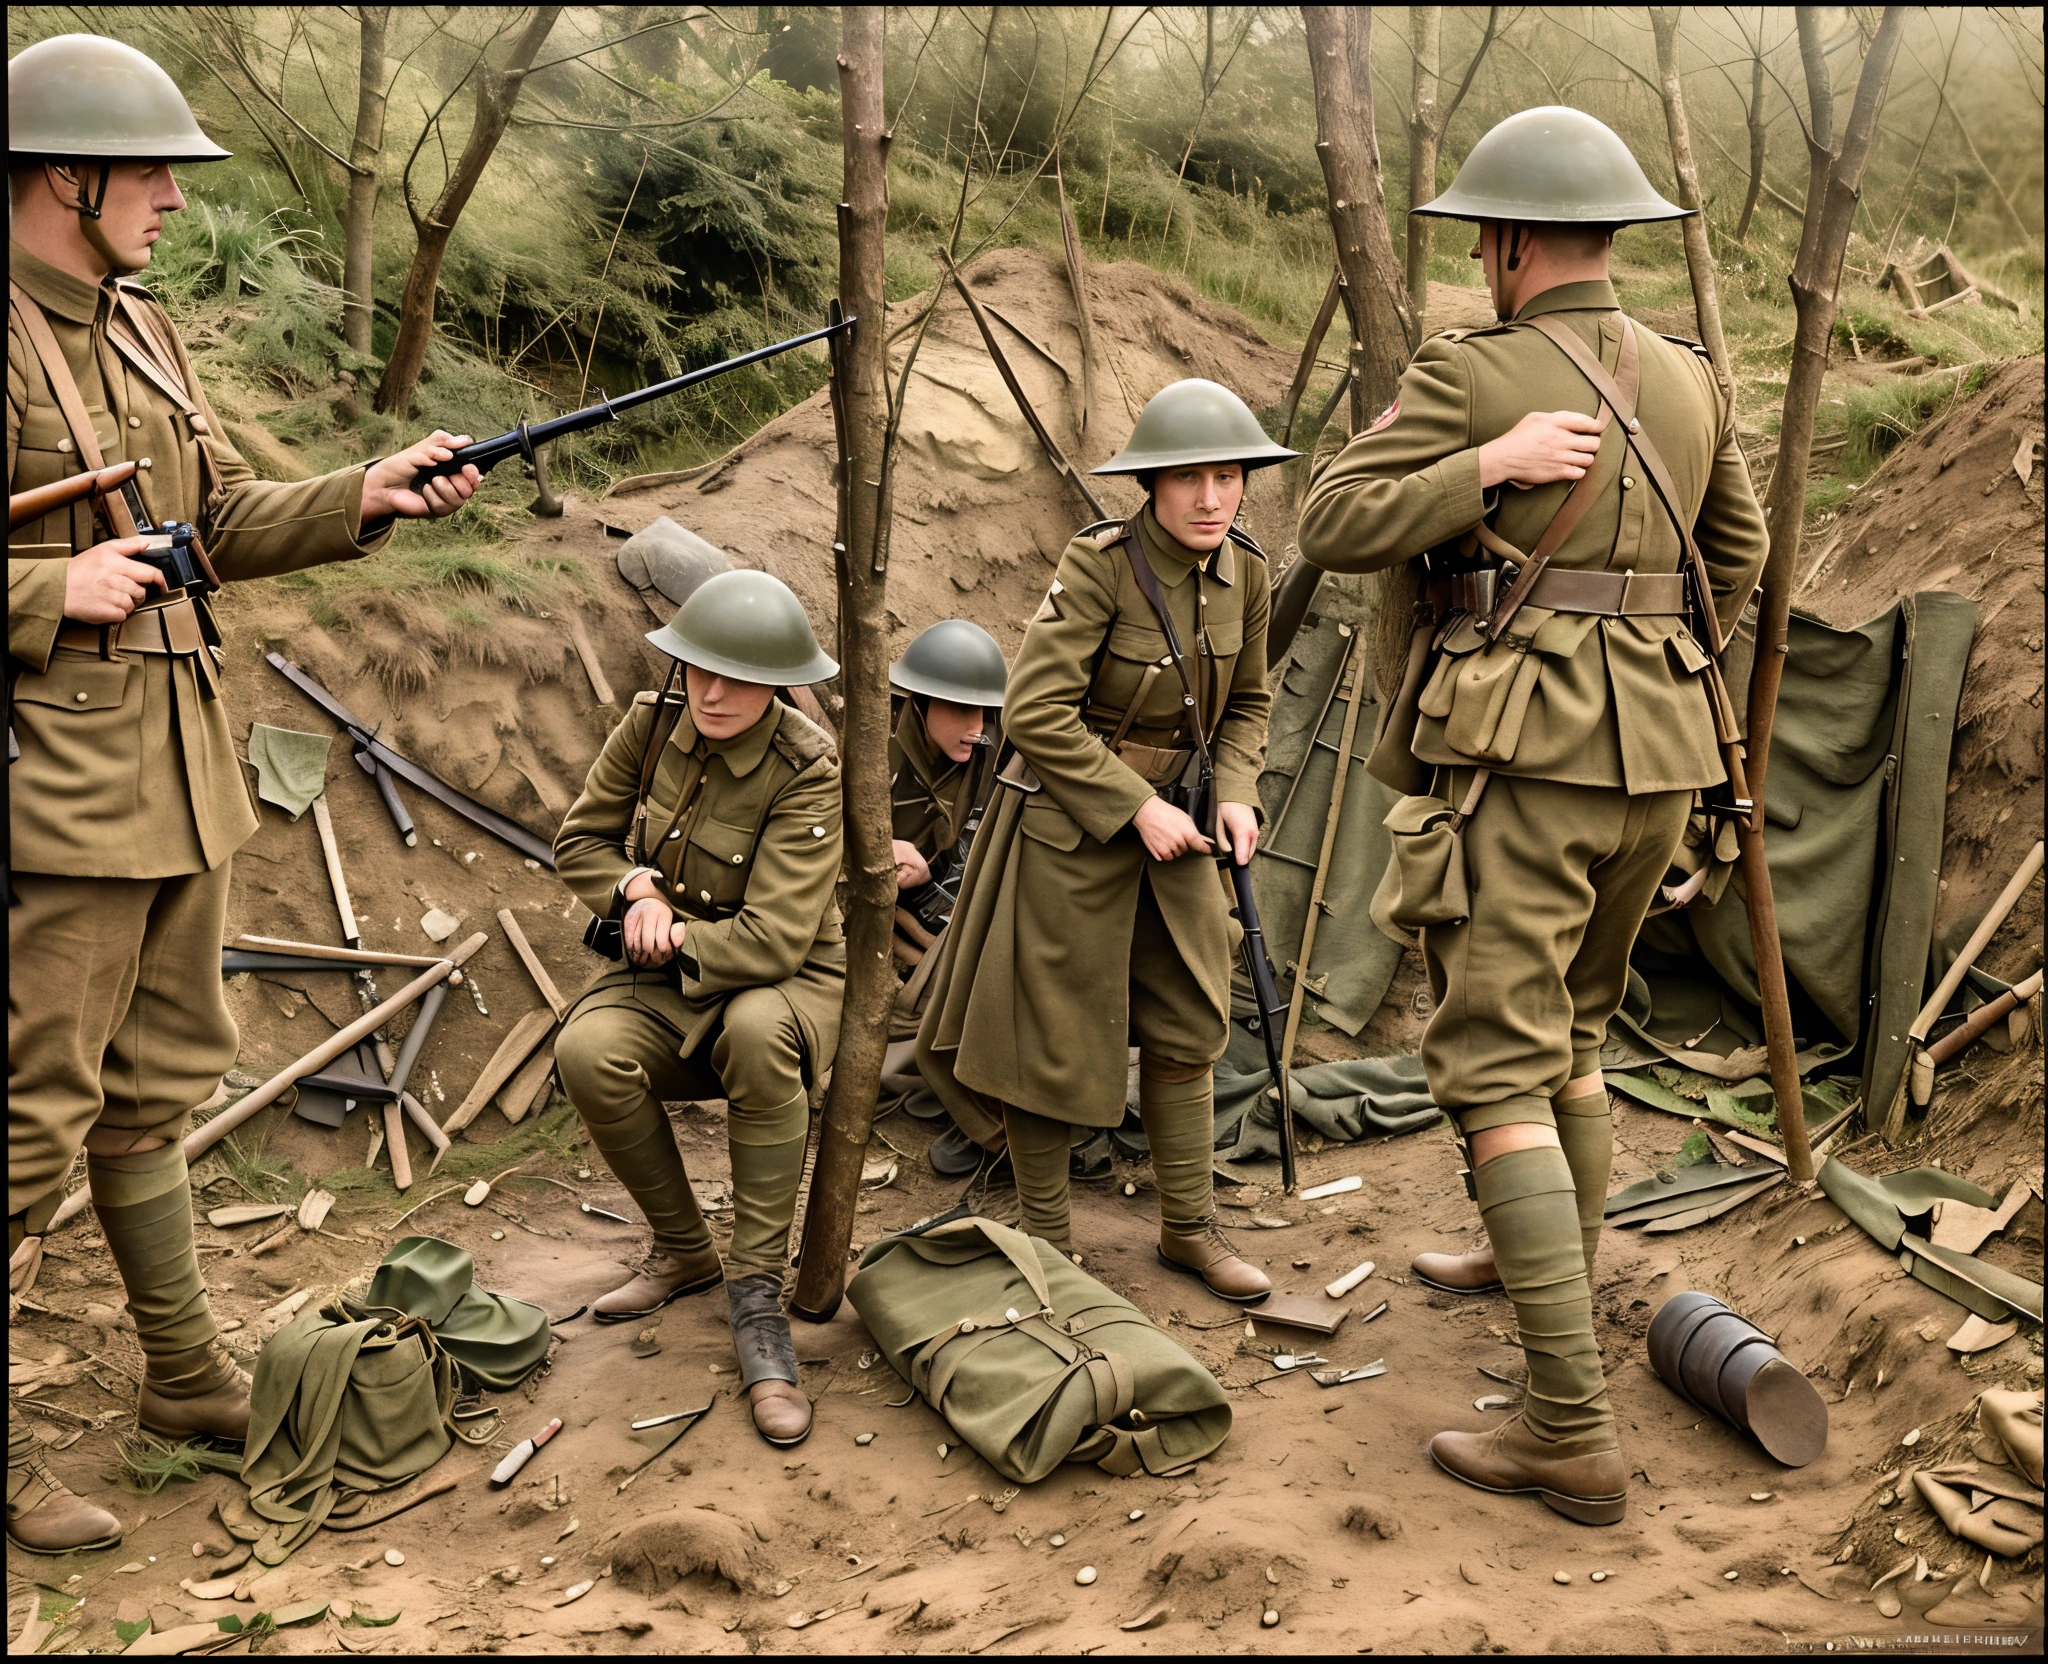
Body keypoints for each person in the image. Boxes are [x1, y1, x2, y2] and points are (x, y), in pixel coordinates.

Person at [6, 34, 481, 1554]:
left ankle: (183, 1375)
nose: (171, 196)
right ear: (58, 177)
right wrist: (40, 590)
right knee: (25, 1124)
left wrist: (363, 494)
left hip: (176, 770)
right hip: (53, 801)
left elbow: (200, 527)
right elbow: (73, 569)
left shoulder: (138, 333)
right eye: (145, 169)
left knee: (150, 1095)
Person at [1296, 106, 1769, 1526]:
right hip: (1663, 757)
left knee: (1493, 1062)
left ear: (1504, 243)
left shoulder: (1476, 372)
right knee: (1571, 1029)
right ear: (1608, 237)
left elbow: (1329, 520)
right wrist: (1658, 663)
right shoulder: (1687, 378)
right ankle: (1530, 1249)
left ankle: (1570, 1430)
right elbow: (1735, 554)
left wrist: (1483, 473)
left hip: (1520, 757)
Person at [915, 379, 1295, 1300]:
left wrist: (1236, 794)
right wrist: (1135, 806)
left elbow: (1247, 704)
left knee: (1188, 1022)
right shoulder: (1099, 565)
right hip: (1067, 827)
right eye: (1192, 479)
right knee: (1054, 1037)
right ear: (1153, 484)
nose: (1213, 497)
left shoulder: (1247, 572)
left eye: (1230, 476)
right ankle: (1046, 1247)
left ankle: (1188, 1230)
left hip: (1187, 831)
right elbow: (1036, 711)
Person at [553, 568, 843, 1449]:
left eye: (737, 676)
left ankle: (756, 1302)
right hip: (664, 973)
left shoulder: (806, 769)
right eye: (698, 670)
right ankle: (684, 1251)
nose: (711, 693)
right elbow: (579, 842)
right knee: (587, 1051)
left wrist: (669, 932)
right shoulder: (650, 723)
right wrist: (635, 887)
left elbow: (772, 943)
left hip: (776, 978)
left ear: (779, 682)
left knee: (756, 1036)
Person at [874, 619, 1013, 1179]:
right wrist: (871, 860)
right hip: (862, 918)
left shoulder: (991, 753)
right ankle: (993, 1127)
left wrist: (926, 889)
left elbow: (975, 870)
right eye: (961, 711)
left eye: (986, 714)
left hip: (938, 911)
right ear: (921, 703)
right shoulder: (871, 753)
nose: (976, 728)